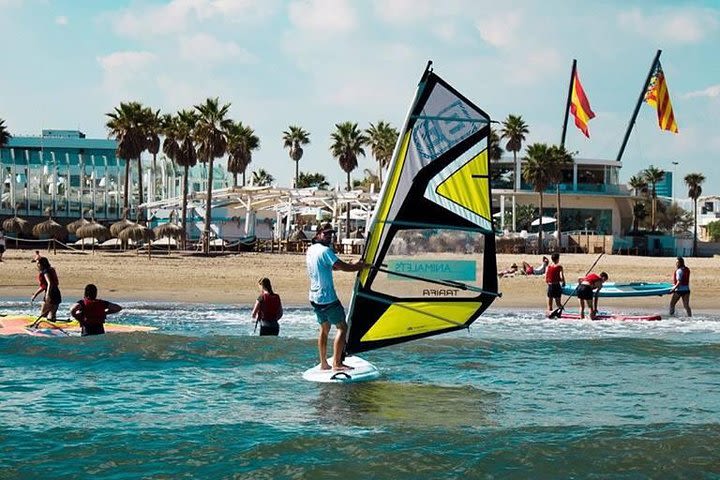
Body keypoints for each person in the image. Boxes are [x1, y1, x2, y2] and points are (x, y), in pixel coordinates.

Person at [306, 222, 366, 371]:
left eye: (331, 234)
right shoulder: (326, 251)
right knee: (342, 327)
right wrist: (359, 266)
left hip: (314, 298)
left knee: (324, 328)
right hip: (327, 298)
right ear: (318, 234)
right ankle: (337, 364)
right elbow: (342, 267)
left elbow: (331, 266)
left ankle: (324, 364)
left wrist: (352, 264)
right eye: (326, 234)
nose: (329, 237)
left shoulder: (311, 249)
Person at [30, 256, 62, 321]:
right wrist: (35, 295)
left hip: (51, 293)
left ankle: (44, 328)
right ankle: (53, 325)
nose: (37, 265)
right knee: (52, 315)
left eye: (38, 263)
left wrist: (47, 295)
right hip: (57, 293)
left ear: (42, 264)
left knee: (43, 315)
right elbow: (44, 286)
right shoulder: (51, 269)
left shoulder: (45, 272)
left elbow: (49, 283)